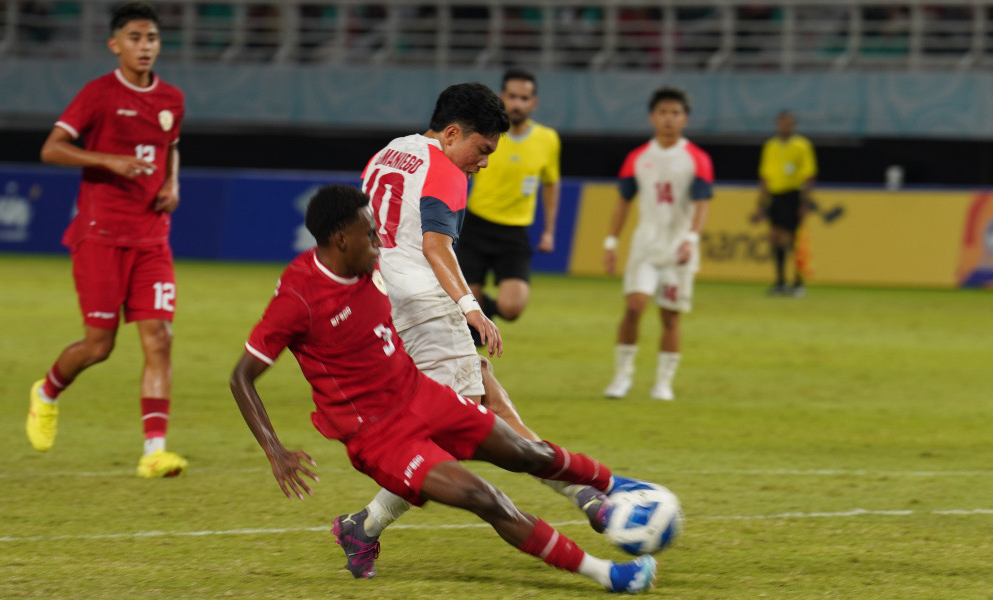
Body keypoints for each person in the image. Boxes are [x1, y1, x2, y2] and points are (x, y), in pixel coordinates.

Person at [228, 185, 658, 594]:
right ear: (341, 240)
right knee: (483, 497)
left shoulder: (369, 265)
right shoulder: (298, 298)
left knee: (529, 453)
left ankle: (618, 485)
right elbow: (241, 377)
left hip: (421, 396)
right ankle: (607, 575)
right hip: (379, 437)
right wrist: (274, 449)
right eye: (370, 235)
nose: (379, 243)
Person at [342, 82, 611, 579]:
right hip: (424, 309)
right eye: (482, 149)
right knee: (459, 429)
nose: (483, 162)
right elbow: (435, 246)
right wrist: (471, 307)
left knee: (482, 394)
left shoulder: (386, 154)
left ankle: (583, 492)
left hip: (381, 309)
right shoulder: (444, 169)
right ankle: (365, 524)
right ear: (451, 132)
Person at [25, 2, 188, 478]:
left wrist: (173, 182)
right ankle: (46, 393)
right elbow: (51, 148)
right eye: (135, 38)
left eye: (152, 38)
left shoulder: (172, 98)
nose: (145, 47)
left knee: (159, 338)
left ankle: (154, 451)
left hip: (152, 238)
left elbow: (171, 145)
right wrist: (109, 161)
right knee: (99, 346)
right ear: (115, 44)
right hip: (101, 236)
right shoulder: (98, 94)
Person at [602, 87, 713, 402]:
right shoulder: (637, 158)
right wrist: (611, 243)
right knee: (634, 306)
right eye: (663, 112)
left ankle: (664, 382)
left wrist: (691, 239)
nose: (669, 118)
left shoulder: (697, 159)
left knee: (669, 316)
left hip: (678, 249)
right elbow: (623, 203)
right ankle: (622, 376)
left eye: (675, 113)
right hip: (645, 246)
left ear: (684, 119)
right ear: (653, 117)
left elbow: (702, 204)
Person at [456, 68, 561, 333]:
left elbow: (551, 183)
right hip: (476, 225)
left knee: (513, 308)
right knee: (466, 301)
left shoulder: (547, 140)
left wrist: (549, 231)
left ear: (533, 103)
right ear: (502, 98)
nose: (517, 104)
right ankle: (474, 337)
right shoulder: (483, 134)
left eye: (524, 98)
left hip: (514, 232)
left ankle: (482, 317)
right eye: (512, 97)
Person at [753, 109, 817, 297]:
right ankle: (780, 281)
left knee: (793, 240)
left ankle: (798, 283)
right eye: (782, 123)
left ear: (793, 125)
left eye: (788, 123)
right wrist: (760, 204)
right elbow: (765, 176)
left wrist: (805, 202)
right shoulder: (770, 146)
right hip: (775, 196)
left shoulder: (802, 145)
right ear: (777, 125)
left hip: (793, 195)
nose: (784, 126)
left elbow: (809, 175)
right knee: (775, 238)